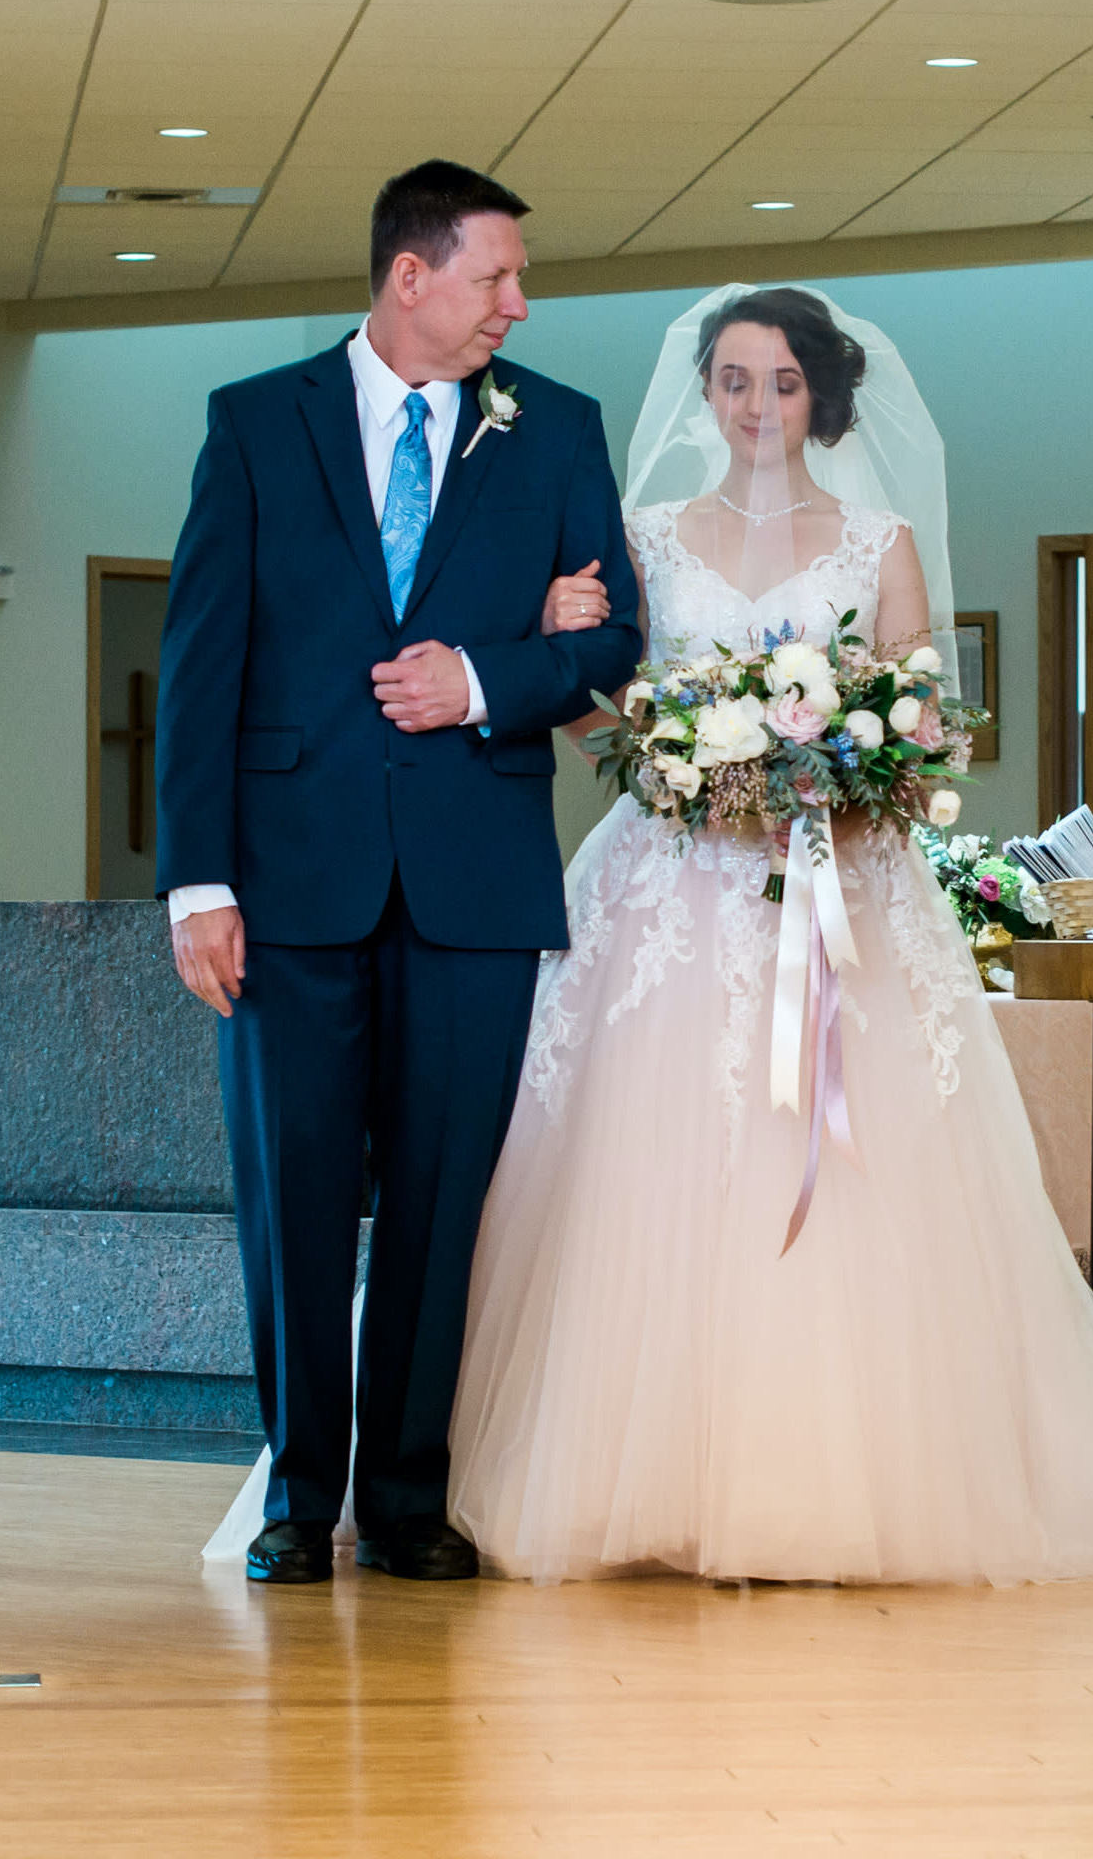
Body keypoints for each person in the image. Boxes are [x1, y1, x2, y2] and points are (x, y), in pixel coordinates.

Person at [444, 285, 1093, 1584]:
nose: (756, 405)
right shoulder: (645, 536)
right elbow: (592, 702)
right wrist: (684, 767)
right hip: (669, 887)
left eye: (780, 382)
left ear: (823, 394)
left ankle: (832, 1486)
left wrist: (846, 768)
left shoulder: (875, 540)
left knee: (844, 1165)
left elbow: (927, 713)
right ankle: (634, 1482)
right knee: (648, 1166)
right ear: (704, 393)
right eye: (733, 381)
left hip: (840, 885)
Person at [157, 160, 640, 1584]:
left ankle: (412, 1499)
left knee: (445, 1201)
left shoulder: (554, 429)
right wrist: (199, 885)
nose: (519, 302)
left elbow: (613, 645)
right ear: (410, 277)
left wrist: (489, 675)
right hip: (287, 886)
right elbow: (198, 666)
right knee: (293, 1193)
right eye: (498, 275)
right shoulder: (254, 425)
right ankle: (300, 1501)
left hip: (476, 885)